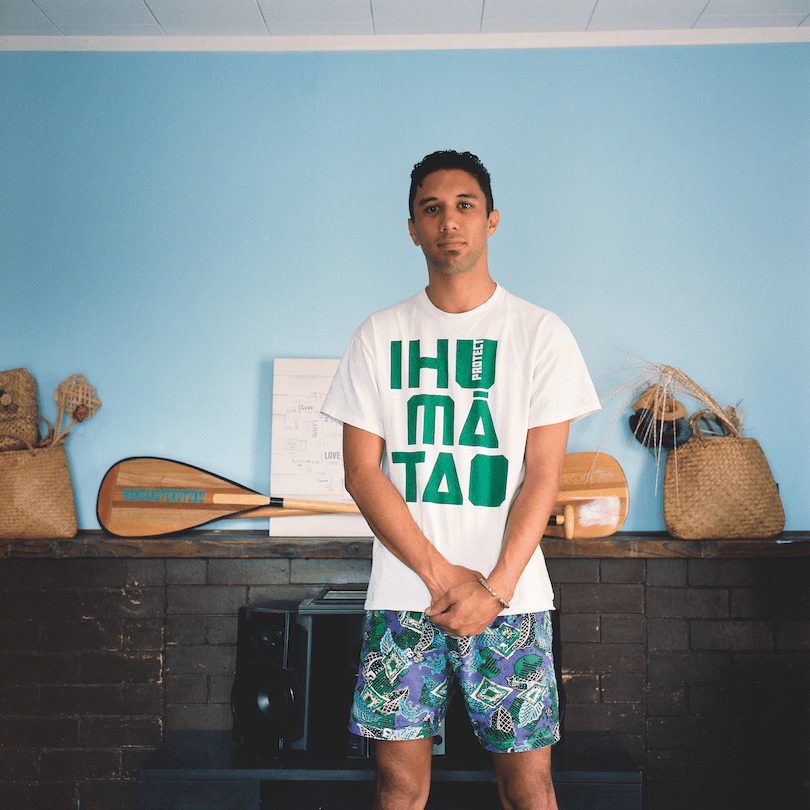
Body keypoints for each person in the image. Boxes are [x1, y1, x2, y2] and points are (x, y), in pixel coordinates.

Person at [322, 150, 600, 810]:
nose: (450, 221)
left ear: (492, 220)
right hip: (404, 596)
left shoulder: (540, 333)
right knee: (398, 787)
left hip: (514, 599)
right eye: (432, 208)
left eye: (465, 206)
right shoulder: (379, 334)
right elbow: (362, 474)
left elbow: (542, 476)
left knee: (529, 785)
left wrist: (495, 587)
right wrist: (443, 577)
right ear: (413, 227)